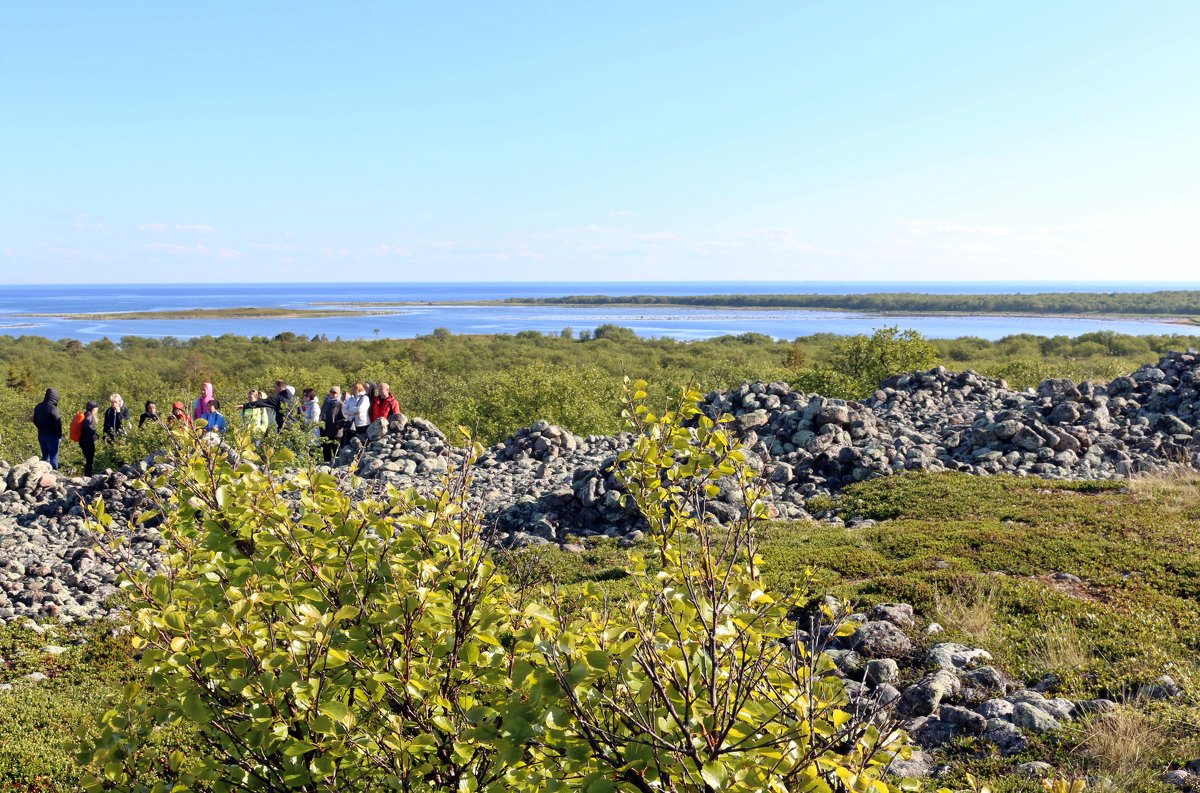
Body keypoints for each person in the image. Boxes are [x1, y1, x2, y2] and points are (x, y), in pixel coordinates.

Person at [32, 388, 63, 470]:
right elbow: (58, 423)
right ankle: (55, 475)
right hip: (52, 436)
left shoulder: (38, 406)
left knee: (45, 457)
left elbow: (34, 420)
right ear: (55, 397)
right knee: (53, 457)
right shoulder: (53, 408)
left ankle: (44, 474)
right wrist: (59, 434)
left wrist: (40, 428)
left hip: (41, 435)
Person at [319, 385, 345, 462]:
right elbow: (322, 412)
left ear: (338, 393)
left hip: (335, 431)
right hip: (325, 429)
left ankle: (337, 466)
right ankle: (326, 465)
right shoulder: (326, 401)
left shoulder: (340, 403)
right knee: (326, 449)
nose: (332, 394)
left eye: (334, 392)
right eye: (331, 392)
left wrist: (338, 425)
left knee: (336, 449)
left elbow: (344, 417)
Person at [80, 401, 99, 476]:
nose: (97, 409)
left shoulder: (86, 413)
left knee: (88, 459)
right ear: (93, 408)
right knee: (89, 460)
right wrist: (94, 434)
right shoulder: (89, 415)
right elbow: (87, 424)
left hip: (83, 440)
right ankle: (88, 477)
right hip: (87, 441)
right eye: (96, 407)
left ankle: (87, 476)